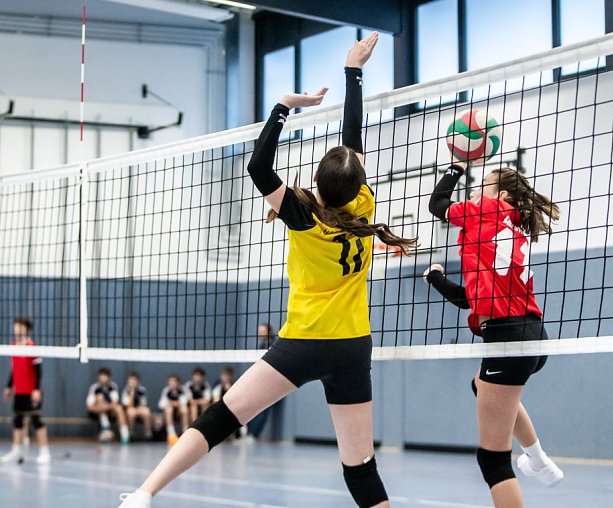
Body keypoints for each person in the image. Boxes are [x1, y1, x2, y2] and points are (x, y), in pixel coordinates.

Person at [118, 32, 416, 508]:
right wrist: (354, 73)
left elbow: (260, 165)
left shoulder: (304, 215)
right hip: (354, 346)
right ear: (358, 181)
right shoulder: (364, 203)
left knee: (219, 419)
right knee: (361, 469)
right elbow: (353, 138)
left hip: (303, 344)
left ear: (316, 182)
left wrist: (284, 104)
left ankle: (144, 493)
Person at [427, 160, 562, 506]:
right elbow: (468, 299)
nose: (476, 189)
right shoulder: (510, 225)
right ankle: (538, 459)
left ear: (500, 194)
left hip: (508, 338)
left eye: (482, 183)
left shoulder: (485, 210)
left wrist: (457, 167)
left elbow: (437, 204)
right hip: (531, 334)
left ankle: (538, 460)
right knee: (481, 385)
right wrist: (437, 279)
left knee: (492, 460)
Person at [1, 317, 50, 464]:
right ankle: (16, 451)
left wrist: (36, 389)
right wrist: (9, 387)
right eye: (16, 327)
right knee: (17, 420)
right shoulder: (13, 345)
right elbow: (14, 370)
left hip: (31, 391)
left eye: (20, 327)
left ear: (26, 329)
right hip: (19, 391)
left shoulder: (31, 346)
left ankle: (45, 452)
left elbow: (38, 370)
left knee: (36, 420)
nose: (17, 329)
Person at [87, 367, 130, 444]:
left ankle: (125, 435)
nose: (103, 378)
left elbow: (114, 403)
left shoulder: (113, 387)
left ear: (109, 377)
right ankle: (105, 429)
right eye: (101, 376)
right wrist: (100, 406)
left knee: (119, 408)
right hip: (96, 412)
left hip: (110, 412)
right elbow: (90, 407)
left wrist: (105, 407)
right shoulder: (94, 388)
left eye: (105, 376)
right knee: (100, 398)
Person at [158, 374, 189, 445]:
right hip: (167, 415)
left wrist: (172, 403)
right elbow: (161, 404)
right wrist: (172, 403)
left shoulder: (183, 390)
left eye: (173, 382)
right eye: (170, 382)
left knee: (184, 409)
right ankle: (171, 434)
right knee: (169, 409)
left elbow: (184, 402)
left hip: (180, 413)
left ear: (178, 383)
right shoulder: (166, 390)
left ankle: (185, 433)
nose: (171, 384)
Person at [122, 371, 153, 441]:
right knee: (131, 412)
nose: (132, 382)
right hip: (130, 410)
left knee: (146, 411)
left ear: (138, 381)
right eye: (130, 380)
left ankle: (148, 434)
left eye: (134, 380)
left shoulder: (142, 390)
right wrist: (132, 393)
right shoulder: (126, 390)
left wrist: (138, 410)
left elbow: (143, 404)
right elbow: (128, 406)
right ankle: (131, 433)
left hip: (139, 409)